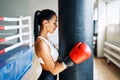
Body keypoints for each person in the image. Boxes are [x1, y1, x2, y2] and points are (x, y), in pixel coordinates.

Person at [34, 9, 92, 80]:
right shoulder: (41, 43)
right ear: (45, 22)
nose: (56, 26)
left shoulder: (46, 39)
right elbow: (54, 70)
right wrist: (71, 59)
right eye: (54, 23)